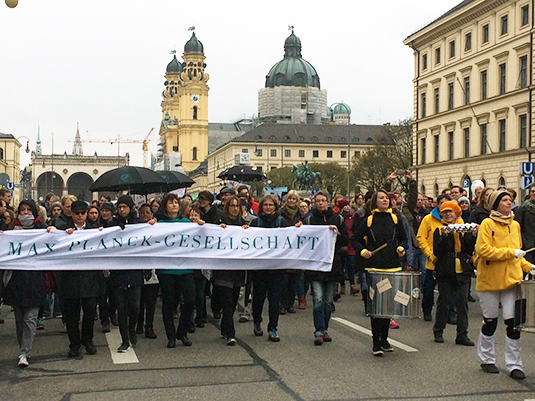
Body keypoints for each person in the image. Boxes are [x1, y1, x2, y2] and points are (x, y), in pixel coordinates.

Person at [474, 190, 533, 380]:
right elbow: (483, 250)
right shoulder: (487, 223)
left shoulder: (515, 225)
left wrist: (530, 266)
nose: (509, 203)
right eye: (505, 200)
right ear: (496, 203)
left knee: (513, 324)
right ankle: (487, 359)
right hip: (490, 280)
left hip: (512, 281)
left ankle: (515, 364)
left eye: (511, 200)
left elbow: (518, 255)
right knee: (490, 321)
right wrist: (511, 253)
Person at [352, 190, 406, 356]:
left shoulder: (396, 219)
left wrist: (400, 248)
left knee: (388, 306)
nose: (385, 200)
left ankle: (385, 339)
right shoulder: (368, 220)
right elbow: (355, 239)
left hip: (392, 267)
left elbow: (403, 239)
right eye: (381, 198)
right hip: (375, 268)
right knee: (376, 306)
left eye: (387, 198)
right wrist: (363, 252)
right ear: (375, 202)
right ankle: (376, 342)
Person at [49, 201, 102, 358]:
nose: (80, 216)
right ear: (71, 213)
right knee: (71, 314)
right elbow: (49, 235)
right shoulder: (63, 228)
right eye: (77, 213)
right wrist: (52, 231)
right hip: (69, 278)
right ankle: (74, 344)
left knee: (90, 310)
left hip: (89, 277)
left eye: (82, 213)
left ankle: (88, 339)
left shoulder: (94, 229)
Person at [2, 199, 47, 367]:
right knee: (19, 321)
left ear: (34, 213)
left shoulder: (42, 229)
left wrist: (54, 231)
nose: (26, 213)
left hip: (35, 281)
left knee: (30, 319)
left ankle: (25, 353)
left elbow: (56, 240)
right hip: (17, 281)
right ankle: (23, 346)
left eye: (29, 210)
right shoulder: (11, 231)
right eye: (23, 210)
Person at [107, 195, 150, 352]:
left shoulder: (138, 223)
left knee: (135, 306)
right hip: (118, 272)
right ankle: (124, 339)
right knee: (121, 308)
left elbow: (148, 237)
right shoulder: (112, 224)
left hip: (134, 270)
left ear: (130, 208)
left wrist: (152, 225)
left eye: (125, 207)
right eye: (119, 207)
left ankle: (132, 328)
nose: (122, 210)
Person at [306, 192, 349, 346]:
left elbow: (346, 240)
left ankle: (325, 328)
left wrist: (337, 233)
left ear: (329, 202)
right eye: (317, 201)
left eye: (323, 201)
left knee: (327, 301)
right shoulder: (310, 219)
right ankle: (318, 330)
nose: (320, 204)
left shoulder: (338, 219)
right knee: (317, 298)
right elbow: (303, 239)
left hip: (332, 265)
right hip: (315, 266)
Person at [157, 193, 198, 348]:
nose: (174, 205)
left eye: (176, 202)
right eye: (170, 203)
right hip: (167, 270)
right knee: (168, 303)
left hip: (185, 268)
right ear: (165, 206)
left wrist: (200, 225)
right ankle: (171, 335)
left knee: (190, 300)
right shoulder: (160, 223)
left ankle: (182, 331)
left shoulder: (186, 222)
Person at [432, 201, 475, 346]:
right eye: (445, 212)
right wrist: (444, 237)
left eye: (451, 211)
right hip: (445, 271)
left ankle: (462, 334)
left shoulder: (463, 228)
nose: (448, 214)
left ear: (456, 213)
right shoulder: (438, 230)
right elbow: (437, 251)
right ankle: (438, 330)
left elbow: (469, 249)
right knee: (443, 303)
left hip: (463, 271)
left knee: (462, 304)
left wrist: (473, 235)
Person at [250, 194, 290, 342]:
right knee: (258, 298)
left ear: (275, 207)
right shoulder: (256, 222)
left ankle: (273, 327)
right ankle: (257, 320)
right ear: (261, 207)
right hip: (259, 269)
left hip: (276, 269)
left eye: (270, 205)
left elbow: (291, 238)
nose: (268, 207)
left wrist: (297, 229)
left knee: (274, 299)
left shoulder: (281, 222)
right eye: (265, 205)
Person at [214, 195, 248, 345]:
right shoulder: (220, 224)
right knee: (227, 302)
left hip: (238, 269)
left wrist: (247, 231)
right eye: (232, 205)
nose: (235, 208)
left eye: (237, 206)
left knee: (233, 302)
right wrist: (218, 230)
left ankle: (224, 326)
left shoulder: (245, 225)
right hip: (223, 269)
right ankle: (230, 334)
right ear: (227, 208)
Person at [417, 193, 452, 321]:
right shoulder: (428, 219)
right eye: (442, 203)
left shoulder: (455, 219)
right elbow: (421, 237)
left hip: (449, 261)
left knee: (449, 289)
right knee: (428, 287)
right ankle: (427, 310)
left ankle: (450, 313)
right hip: (433, 260)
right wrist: (429, 253)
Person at [278, 190, 305, 314]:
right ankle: (282, 304)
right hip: (284, 250)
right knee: (283, 280)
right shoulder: (280, 213)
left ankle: (290, 304)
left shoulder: (301, 214)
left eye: (294, 199)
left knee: (294, 280)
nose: (291, 201)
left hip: (296, 250)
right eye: (289, 199)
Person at [136, 204, 159, 340]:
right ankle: (139, 322)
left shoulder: (157, 229)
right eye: (142, 213)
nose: (145, 215)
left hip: (153, 269)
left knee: (151, 301)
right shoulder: (135, 228)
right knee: (139, 300)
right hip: (138, 269)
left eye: (148, 213)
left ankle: (149, 326)